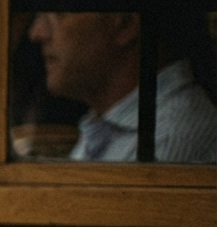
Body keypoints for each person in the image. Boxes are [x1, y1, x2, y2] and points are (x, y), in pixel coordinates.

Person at [27, 10, 217, 163]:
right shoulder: (109, 124)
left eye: (61, 12)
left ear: (125, 23)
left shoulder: (167, 137)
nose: (37, 33)